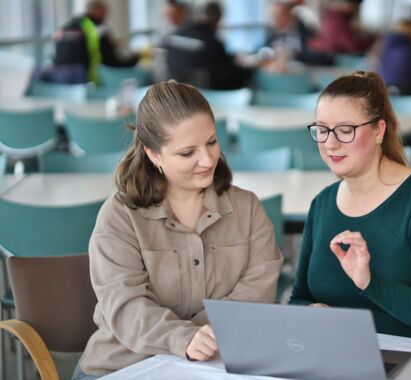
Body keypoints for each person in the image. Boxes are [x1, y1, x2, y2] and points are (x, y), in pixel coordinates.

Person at [73, 81, 283, 379]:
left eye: (211, 142)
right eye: (187, 153)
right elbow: (125, 306)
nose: (208, 159)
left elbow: (258, 294)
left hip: (219, 367)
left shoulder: (247, 209)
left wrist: (201, 341)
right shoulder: (120, 216)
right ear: (153, 154)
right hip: (123, 366)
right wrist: (183, 338)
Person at [289, 71, 411, 348]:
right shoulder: (322, 204)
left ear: (378, 131)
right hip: (350, 354)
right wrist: (311, 313)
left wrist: (370, 283)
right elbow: (299, 297)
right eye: (322, 130)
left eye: (345, 130)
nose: (330, 143)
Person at [163, 1, 252, 89]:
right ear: (216, 20)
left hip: (173, 91)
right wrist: (247, 70)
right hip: (204, 95)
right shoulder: (212, 42)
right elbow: (225, 69)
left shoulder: (174, 35)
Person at [53, 0, 140, 84]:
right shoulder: (100, 28)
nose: (106, 17)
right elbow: (111, 60)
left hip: (60, 79)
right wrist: (134, 59)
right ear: (99, 11)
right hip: (87, 81)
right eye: (106, 12)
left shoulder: (69, 25)